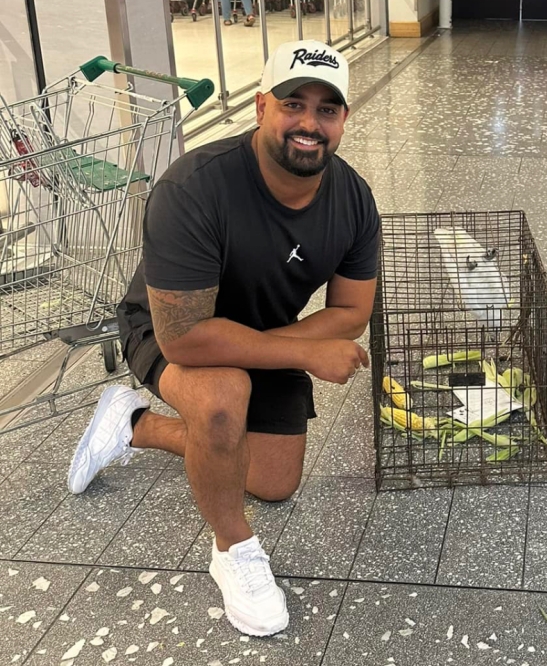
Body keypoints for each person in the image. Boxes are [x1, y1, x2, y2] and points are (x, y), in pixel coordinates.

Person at [66, 40, 379, 637]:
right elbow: (184, 338)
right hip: (164, 328)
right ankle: (233, 550)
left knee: (273, 481)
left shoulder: (354, 199)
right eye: (294, 103)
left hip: (267, 331)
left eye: (327, 109)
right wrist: (304, 350)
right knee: (221, 399)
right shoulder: (196, 188)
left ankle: (134, 426)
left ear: (342, 121)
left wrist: (292, 343)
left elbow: (350, 311)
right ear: (261, 107)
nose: (309, 123)